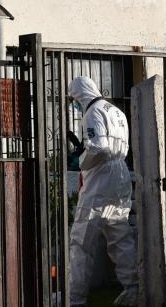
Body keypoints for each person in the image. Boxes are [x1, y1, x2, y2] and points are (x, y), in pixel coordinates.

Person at [66, 75, 138, 306]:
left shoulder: (92, 113)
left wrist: (80, 161)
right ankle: (133, 291)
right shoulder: (117, 112)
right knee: (120, 238)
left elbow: (99, 150)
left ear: (79, 94)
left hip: (100, 181)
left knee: (81, 242)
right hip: (121, 176)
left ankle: (75, 300)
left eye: (73, 99)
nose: (74, 104)